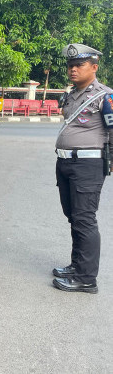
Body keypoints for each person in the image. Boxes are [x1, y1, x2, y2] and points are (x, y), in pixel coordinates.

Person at [52, 43, 113, 294]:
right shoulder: (72, 94)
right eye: (70, 66)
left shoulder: (105, 95)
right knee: (73, 217)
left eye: (79, 65)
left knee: (84, 219)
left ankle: (87, 278)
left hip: (88, 164)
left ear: (94, 67)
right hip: (66, 162)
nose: (73, 69)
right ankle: (77, 265)